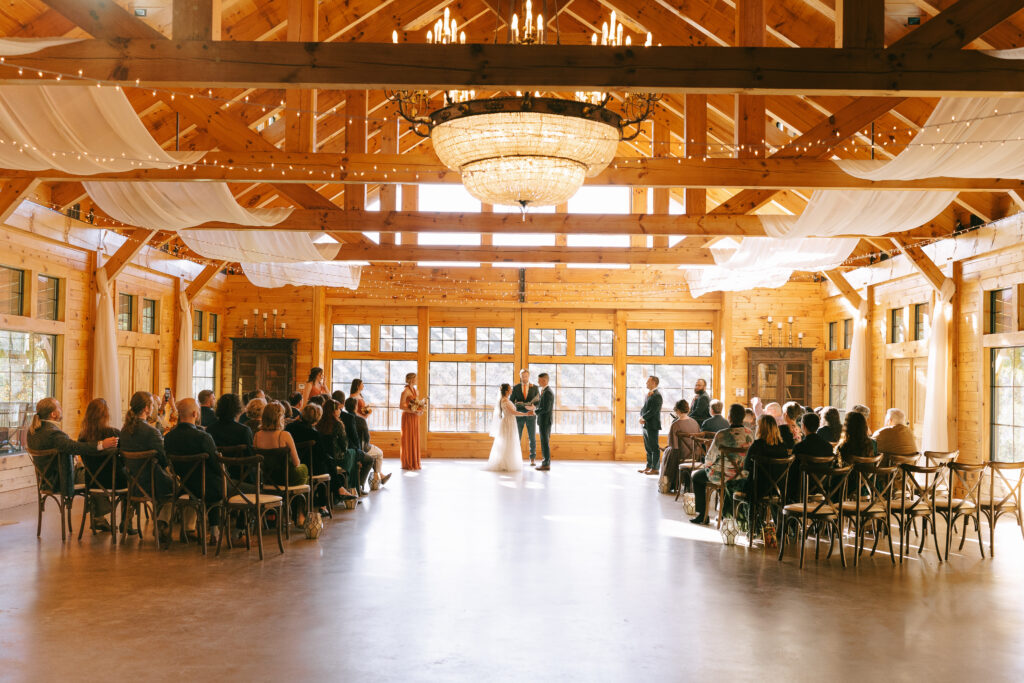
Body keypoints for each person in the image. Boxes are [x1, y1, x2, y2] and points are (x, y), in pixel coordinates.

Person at [26, 397, 119, 509]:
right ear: (53, 414)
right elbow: (76, 447)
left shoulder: (32, 432)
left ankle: (99, 518)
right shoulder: (54, 434)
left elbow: (67, 448)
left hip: (46, 482)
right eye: (59, 407)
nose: (62, 409)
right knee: (94, 474)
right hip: (61, 481)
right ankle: (99, 518)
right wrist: (102, 444)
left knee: (92, 473)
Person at [119, 391, 180, 545]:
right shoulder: (152, 432)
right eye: (152, 405)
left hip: (132, 485)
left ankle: (160, 521)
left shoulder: (124, 431)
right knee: (179, 487)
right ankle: (162, 522)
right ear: (146, 409)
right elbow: (165, 460)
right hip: (153, 485)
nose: (153, 408)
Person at [164, 398, 223, 541]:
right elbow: (216, 465)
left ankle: (194, 530)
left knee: (213, 482)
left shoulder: (169, 437)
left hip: (183, 487)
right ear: (195, 414)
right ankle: (215, 531)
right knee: (218, 482)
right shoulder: (203, 437)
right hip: (206, 488)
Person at [690, 403, 753, 525]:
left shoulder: (721, 434)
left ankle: (702, 515)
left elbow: (710, 458)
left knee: (696, 477)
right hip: (742, 476)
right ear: (743, 417)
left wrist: (708, 467)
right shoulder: (749, 433)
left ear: (729, 417)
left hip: (722, 475)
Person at [254, 402, 309, 526]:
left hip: (267, 479)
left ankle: (273, 516)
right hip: (285, 478)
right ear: (280, 418)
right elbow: (296, 462)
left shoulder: (257, 435)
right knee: (304, 471)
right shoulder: (284, 435)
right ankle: (299, 515)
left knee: (299, 478)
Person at [77, 398, 124, 532]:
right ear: (106, 415)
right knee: (133, 479)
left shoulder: (82, 437)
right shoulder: (114, 434)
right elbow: (124, 457)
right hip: (116, 481)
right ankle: (128, 522)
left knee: (96, 473)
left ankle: (99, 518)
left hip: (92, 482)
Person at [314, 398, 358, 500]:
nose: (340, 411)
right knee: (354, 453)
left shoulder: (319, 423)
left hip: (324, 456)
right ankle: (353, 488)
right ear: (333, 411)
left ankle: (345, 490)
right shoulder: (338, 424)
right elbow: (344, 445)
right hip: (337, 456)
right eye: (338, 409)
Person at [484, 383, 534, 473]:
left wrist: (517, 404)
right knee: (508, 441)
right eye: (510, 389)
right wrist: (526, 414)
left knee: (508, 441)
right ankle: (505, 463)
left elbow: (511, 410)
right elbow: (513, 412)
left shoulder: (504, 400)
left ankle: (506, 462)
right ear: (507, 391)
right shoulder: (505, 401)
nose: (512, 390)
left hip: (508, 422)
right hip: (508, 422)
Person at [740, 414, 789, 501]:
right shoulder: (783, 447)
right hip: (779, 489)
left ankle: (739, 514)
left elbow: (746, 467)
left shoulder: (756, 445)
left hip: (758, 490)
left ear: (760, 429)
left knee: (733, 484)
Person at [345, 397, 391, 486]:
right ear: (356, 407)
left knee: (375, 454)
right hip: (362, 448)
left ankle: (380, 475)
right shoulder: (360, 420)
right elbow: (367, 437)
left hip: (347, 447)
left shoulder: (343, 418)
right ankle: (377, 479)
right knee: (379, 453)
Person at [658, 399, 700, 494]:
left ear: (677, 410)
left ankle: (670, 483)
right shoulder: (695, 422)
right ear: (687, 409)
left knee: (667, 452)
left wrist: (666, 449)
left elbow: (674, 446)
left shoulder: (675, 425)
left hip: (681, 455)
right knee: (668, 450)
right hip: (695, 455)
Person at [334, 393, 374, 493]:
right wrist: (359, 453)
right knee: (370, 459)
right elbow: (356, 438)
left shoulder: (324, 419)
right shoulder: (349, 418)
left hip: (332, 454)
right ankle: (358, 486)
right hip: (345, 452)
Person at [510, 369, 540, 466]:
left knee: (532, 437)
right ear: (520, 376)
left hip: (531, 415)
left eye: (526, 376)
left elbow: (539, 402)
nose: (524, 378)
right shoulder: (516, 388)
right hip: (519, 415)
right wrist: (517, 405)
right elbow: (511, 402)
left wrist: (534, 407)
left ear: (529, 376)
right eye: (523, 376)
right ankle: (515, 458)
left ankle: (532, 459)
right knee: (517, 437)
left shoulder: (535, 387)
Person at [639, 376, 663, 475]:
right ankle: (649, 466)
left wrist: (644, 417)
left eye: (648, 381)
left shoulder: (657, 395)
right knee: (648, 447)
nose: (646, 383)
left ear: (654, 383)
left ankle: (655, 468)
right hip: (646, 424)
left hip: (652, 425)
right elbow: (645, 407)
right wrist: (641, 416)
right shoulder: (649, 394)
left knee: (654, 447)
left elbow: (654, 410)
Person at [400, 372, 422, 470]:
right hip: (408, 417)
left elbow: (417, 404)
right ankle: (408, 462)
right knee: (408, 438)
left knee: (415, 437)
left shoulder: (416, 391)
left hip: (415, 417)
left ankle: (415, 461)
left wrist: (419, 410)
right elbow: (401, 406)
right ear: (412, 379)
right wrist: (412, 411)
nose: (417, 380)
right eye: (416, 378)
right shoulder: (405, 391)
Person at [534, 372, 554, 471]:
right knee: (544, 442)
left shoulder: (548, 392)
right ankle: (545, 462)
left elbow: (546, 408)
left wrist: (534, 412)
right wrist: (534, 406)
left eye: (539, 380)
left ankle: (546, 463)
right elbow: (542, 404)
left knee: (545, 442)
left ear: (544, 380)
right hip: (543, 421)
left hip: (545, 421)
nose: (538, 382)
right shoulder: (544, 391)